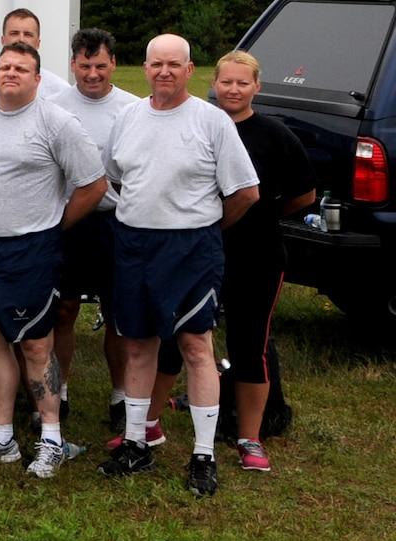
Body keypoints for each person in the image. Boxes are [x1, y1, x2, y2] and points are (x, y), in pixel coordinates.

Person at [134, 51, 316, 474]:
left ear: (257, 86)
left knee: (249, 344)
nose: (233, 90)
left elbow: (304, 194)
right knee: (172, 338)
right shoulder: (196, 122)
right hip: (191, 252)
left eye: (243, 83)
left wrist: (263, 217)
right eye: (226, 82)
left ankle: (249, 437)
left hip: (255, 255)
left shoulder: (275, 135)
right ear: (212, 83)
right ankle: (148, 423)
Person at [99, 34, 260, 498]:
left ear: (191, 71)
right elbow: (117, 175)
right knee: (137, 344)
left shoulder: (211, 122)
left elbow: (245, 192)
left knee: (195, 346)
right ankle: (136, 445)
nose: (164, 71)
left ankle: (203, 456)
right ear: (144, 68)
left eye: (174, 64)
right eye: (156, 64)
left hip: (192, 248)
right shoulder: (127, 117)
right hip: (133, 245)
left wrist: (203, 228)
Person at [0, 42, 107, 479]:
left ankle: (52, 439)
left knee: (37, 344)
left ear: (38, 79)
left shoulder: (57, 123)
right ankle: (1, 437)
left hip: (33, 250)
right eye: (5, 66)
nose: (11, 73)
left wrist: (54, 227)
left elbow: (93, 185)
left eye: (21, 67)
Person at [53, 29, 138, 431]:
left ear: (114, 65)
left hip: (114, 224)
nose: (92, 74)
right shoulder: (53, 108)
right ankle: (60, 391)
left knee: (117, 313)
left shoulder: (133, 109)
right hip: (68, 222)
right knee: (64, 310)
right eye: (84, 65)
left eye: (100, 65)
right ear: (72, 64)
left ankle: (121, 396)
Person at [0, 9, 71, 100]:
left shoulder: (59, 89)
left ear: (38, 43)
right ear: (3, 40)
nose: (21, 39)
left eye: (28, 34)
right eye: (14, 33)